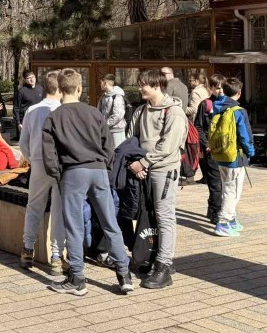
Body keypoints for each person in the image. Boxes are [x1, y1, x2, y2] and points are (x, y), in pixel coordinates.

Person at [42, 68, 133, 296]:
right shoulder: (94, 113)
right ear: (79, 88)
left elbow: (49, 154)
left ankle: (77, 277)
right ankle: (124, 274)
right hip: (98, 170)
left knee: (74, 226)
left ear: (60, 89)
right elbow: (108, 144)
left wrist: (58, 175)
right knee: (110, 223)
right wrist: (105, 167)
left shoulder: (54, 117)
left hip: (72, 172)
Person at [126, 69, 188, 289]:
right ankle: (154, 256)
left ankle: (164, 266)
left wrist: (143, 163)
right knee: (150, 215)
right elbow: (131, 138)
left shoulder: (174, 112)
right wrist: (135, 163)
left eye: (143, 84)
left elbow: (168, 146)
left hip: (164, 170)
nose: (139, 88)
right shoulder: (141, 110)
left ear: (156, 85)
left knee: (164, 216)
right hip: (145, 170)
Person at [19, 70, 65, 276]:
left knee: (34, 206)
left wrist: (32, 159)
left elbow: (23, 143)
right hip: (60, 165)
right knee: (58, 210)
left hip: (38, 162)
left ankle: (28, 249)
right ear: (61, 88)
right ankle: (56, 256)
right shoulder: (63, 110)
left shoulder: (32, 110)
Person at [211, 77, 254, 237]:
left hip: (221, 154)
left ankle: (232, 219)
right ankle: (223, 222)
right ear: (239, 92)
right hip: (235, 156)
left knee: (227, 187)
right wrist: (251, 151)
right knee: (232, 190)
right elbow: (245, 135)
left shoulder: (219, 107)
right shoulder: (238, 111)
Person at [195, 73, 225, 224]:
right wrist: (206, 145)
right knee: (215, 182)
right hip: (211, 150)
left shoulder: (228, 104)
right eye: (217, 88)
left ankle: (212, 207)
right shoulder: (205, 104)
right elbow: (198, 127)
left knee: (223, 183)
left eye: (222, 88)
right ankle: (216, 212)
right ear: (211, 88)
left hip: (226, 150)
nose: (220, 91)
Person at [97, 74, 127, 148]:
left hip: (117, 130)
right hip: (107, 129)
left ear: (105, 83)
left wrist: (105, 124)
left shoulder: (117, 96)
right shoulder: (104, 96)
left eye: (101, 82)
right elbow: (99, 111)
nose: (100, 85)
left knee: (118, 151)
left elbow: (118, 115)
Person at [14, 69, 44, 141]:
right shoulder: (21, 91)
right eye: (29, 78)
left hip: (39, 120)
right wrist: (18, 123)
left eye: (33, 77)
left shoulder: (40, 89)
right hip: (26, 120)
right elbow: (16, 107)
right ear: (24, 80)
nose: (32, 79)